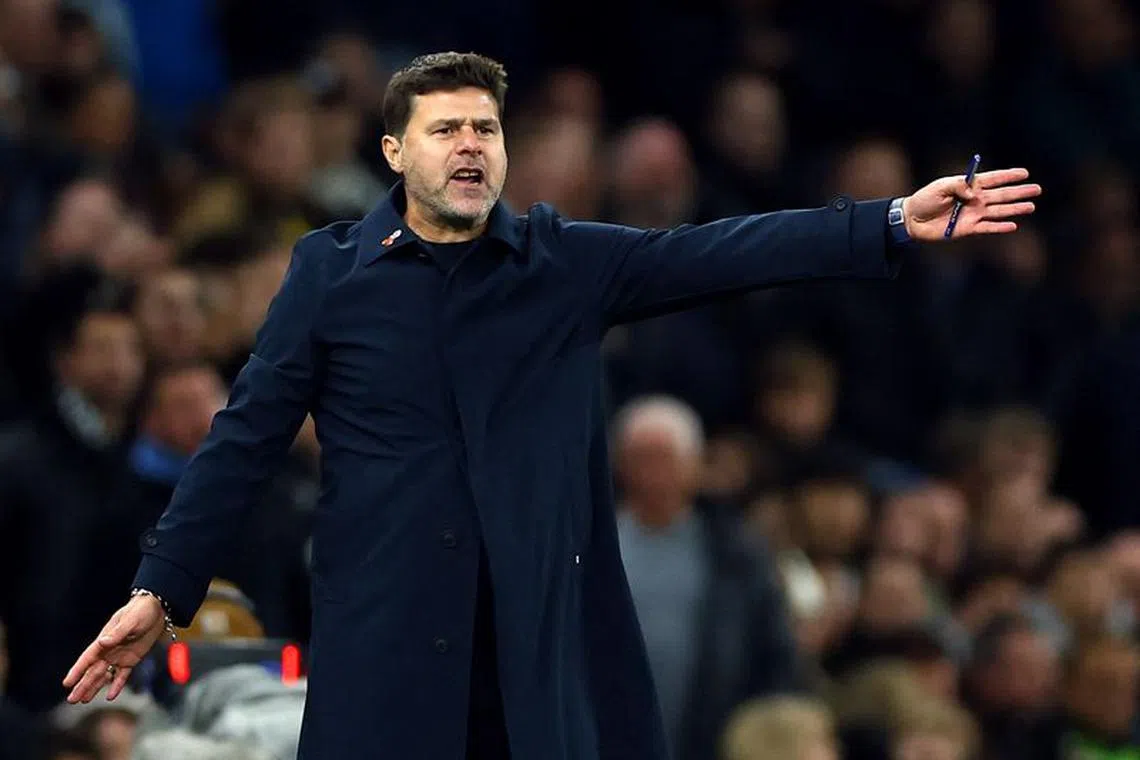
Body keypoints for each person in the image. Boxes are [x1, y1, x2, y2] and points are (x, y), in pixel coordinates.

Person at [63, 51, 1040, 759]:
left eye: (485, 128)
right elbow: (243, 439)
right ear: (395, 151)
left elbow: (721, 252)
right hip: (386, 653)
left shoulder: (563, 265)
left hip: (534, 655)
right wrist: (161, 590)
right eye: (446, 129)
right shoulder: (330, 274)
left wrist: (886, 222)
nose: (470, 146)